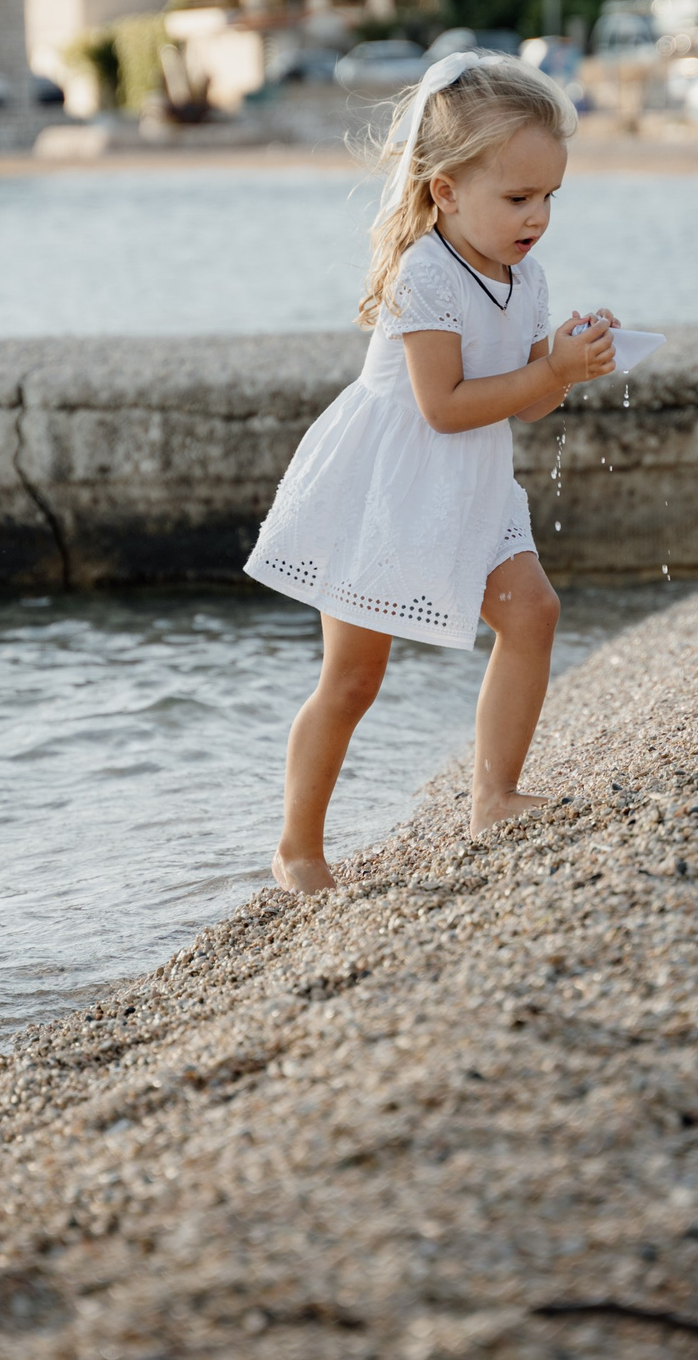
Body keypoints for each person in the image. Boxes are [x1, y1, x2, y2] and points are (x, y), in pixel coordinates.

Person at [245, 53, 621, 894]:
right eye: (519, 198)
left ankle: (494, 794)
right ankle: (298, 847)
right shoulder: (424, 273)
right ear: (445, 191)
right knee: (352, 677)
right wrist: (547, 372)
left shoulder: (524, 274)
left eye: (551, 196)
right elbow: (444, 404)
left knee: (533, 611)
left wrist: (570, 362)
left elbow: (524, 406)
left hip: (473, 484)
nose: (539, 217)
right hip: (386, 485)